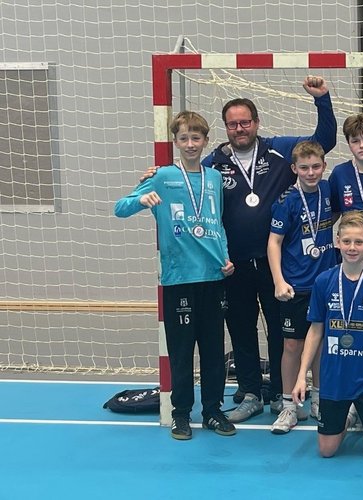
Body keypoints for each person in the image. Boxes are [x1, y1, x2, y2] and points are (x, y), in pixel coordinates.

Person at [203, 76, 337, 423]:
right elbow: (190, 187)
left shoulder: (279, 150)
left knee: (282, 332)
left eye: (245, 122)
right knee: (241, 328)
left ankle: (282, 394)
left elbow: (324, 141)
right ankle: (250, 394)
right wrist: (158, 177)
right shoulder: (214, 162)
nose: (240, 128)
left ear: (257, 122)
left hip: (276, 264)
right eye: (233, 124)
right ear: (226, 128)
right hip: (233, 264)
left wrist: (322, 99)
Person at [115, 111, 236, 439]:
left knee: (213, 351)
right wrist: (142, 199)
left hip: (212, 278)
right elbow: (120, 207)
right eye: (184, 138)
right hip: (178, 278)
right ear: (176, 142)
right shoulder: (162, 176)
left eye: (196, 138)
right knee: (181, 352)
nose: (190, 144)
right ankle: (181, 413)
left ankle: (213, 411)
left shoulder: (213, 178)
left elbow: (217, 223)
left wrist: (225, 257)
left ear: (205, 141)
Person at [293, 211, 363, 457]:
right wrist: (301, 376)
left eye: (359, 242)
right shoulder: (324, 281)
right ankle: (348, 418)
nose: (352, 247)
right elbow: (315, 330)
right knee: (327, 451)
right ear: (337, 241)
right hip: (335, 378)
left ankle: (360, 414)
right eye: (347, 241)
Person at [267, 141, 338, 434]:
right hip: (295, 284)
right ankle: (288, 406)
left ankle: (318, 401)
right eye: (304, 167)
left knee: (321, 344)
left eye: (316, 167)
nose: (311, 173)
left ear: (324, 166)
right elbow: (274, 242)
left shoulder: (328, 190)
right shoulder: (287, 201)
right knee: (292, 345)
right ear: (294, 169)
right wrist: (279, 280)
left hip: (326, 282)